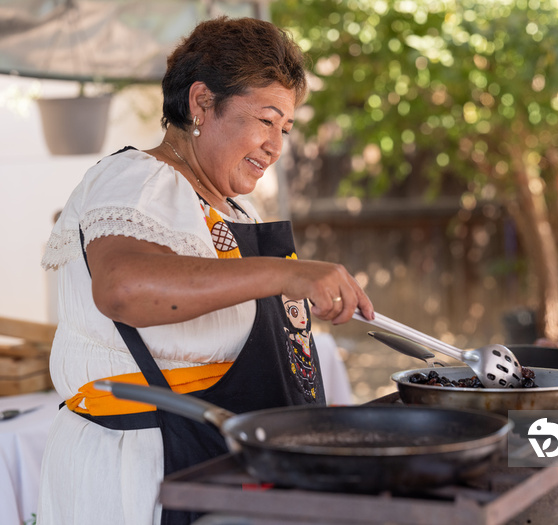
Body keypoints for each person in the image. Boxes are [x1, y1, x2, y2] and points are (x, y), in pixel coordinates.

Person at [37, 16, 374, 525]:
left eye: (285, 128)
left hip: (215, 453)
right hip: (142, 465)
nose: (276, 146)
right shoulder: (139, 178)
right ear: (201, 103)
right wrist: (287, 275)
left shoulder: (236, 212)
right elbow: (124, 288)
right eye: (265, 120)